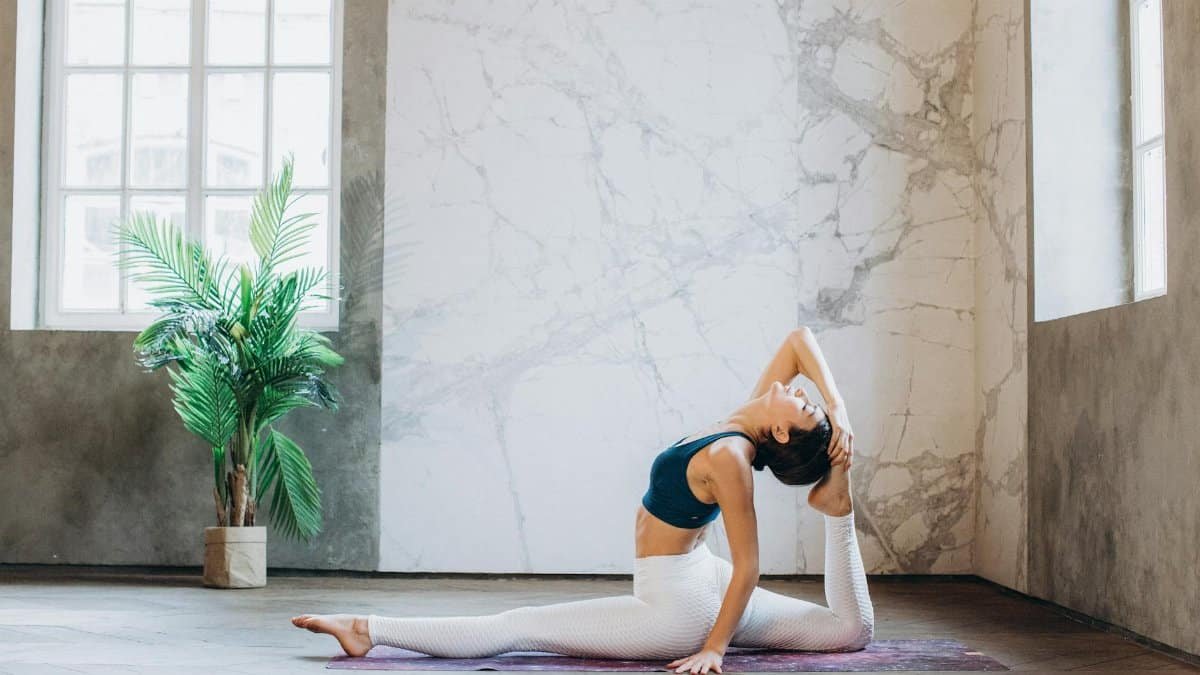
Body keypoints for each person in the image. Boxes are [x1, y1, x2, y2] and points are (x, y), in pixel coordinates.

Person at [292, 327, 874, 673]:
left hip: (680, 608)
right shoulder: (742, 423)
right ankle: (836, 504)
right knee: (849, 633)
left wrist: (714, 649)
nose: (803, 393)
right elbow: (800, 340)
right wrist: (839, 412)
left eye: (808, 409)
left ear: (779, 434)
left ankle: (368, 629)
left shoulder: (731, 457)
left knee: (519, 626)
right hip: (702, 581)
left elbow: (749, 565)